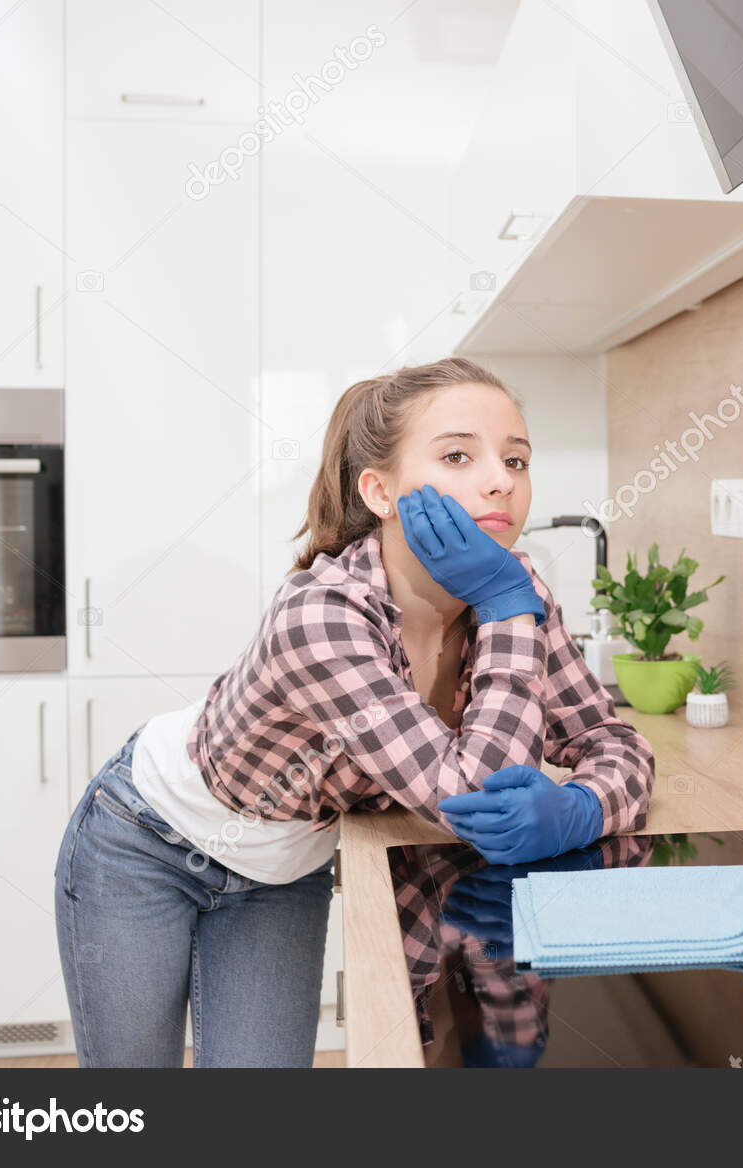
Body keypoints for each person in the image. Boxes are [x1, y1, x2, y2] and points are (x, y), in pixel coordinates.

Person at [53, 357, 655, 1067]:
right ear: (380, 490)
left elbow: (613, 740)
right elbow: (467, 794)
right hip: (147, 841)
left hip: (282, 867)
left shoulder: (515, 593)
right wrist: (503, 605)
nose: (501, 480)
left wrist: (583, 805)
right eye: (459, 455)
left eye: (516, 459)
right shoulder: (324, 613)